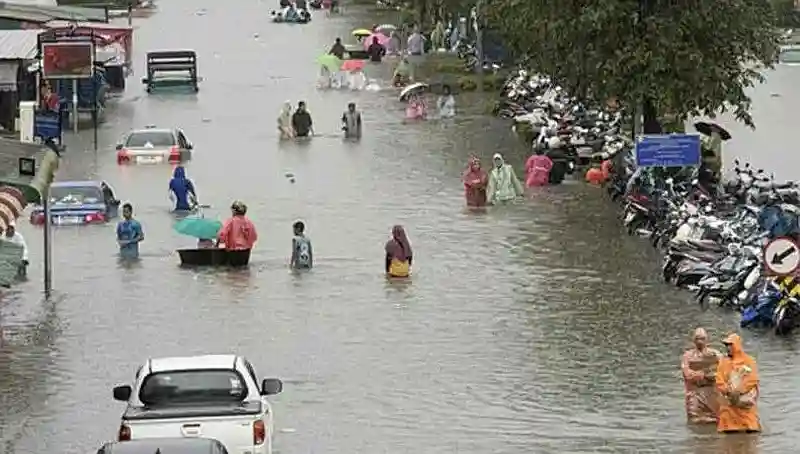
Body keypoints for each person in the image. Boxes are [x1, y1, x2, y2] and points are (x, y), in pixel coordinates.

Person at [715, 333, 761, 434]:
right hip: (728, 406)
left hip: (745, 407)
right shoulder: (723, 362)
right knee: (728, 438)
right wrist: (728, 391)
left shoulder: (749, 360)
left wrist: (739, 390)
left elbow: (753, 379)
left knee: (750, 437)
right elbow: (719, 380)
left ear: (736, 345)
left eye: (730, 345)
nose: (728, 348)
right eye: (726, 345)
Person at [681, 328, 721, 424]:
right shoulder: (688, 356)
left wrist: (713, 375)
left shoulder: (716, 354)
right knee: (695, 420)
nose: (700, 341)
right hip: (695, 394)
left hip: (712, 394)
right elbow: (687, 374)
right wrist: (704, 375)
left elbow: (723, 370)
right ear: (693, 340)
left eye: (702, 338)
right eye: (697, 338)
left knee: (715, 420)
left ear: (707, 339)